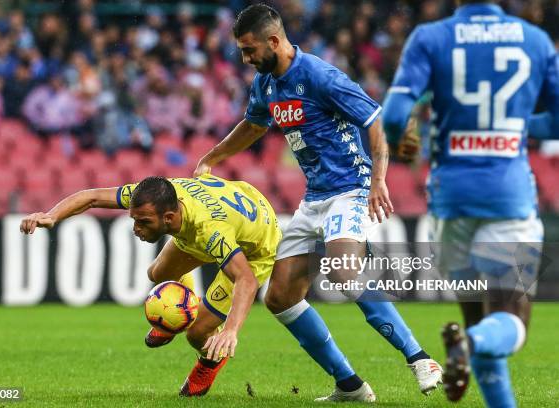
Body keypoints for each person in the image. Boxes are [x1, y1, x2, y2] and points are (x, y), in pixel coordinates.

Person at [194, 4, 442, 402]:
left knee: (344, 272)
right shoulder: (266, 83)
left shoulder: (320, 75)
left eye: (249, 49)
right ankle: (350, 385)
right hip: (315, 198)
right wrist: (213, 157)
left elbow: (374, 121)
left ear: (274, 41)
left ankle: (421, 358)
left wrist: (378, 180)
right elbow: (255, 125)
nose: (245, 58)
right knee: (279, 297)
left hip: (350, 187)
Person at [382, 1, 559, 406]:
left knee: (478, 314)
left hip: (449, 204)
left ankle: (471, 342)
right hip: (507, 199)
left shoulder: (429, 37)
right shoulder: (534, 39)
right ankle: (471, 343)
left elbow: (394, 116)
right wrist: (512, 127)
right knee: (511, 322)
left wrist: (404, 139)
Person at [19, 174, 282, 397]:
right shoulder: (153, 195)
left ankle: (210, 362)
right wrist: (52, 216)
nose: (136, 228)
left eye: (143, 222)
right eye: (134, 219)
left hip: (254, 247)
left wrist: (231, 331)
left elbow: (245, 280)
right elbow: (91, 196)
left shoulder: (210, 230)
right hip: (226, 213)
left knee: (198, 334)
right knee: (158, 273)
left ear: (168, 217)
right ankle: (177, 317)